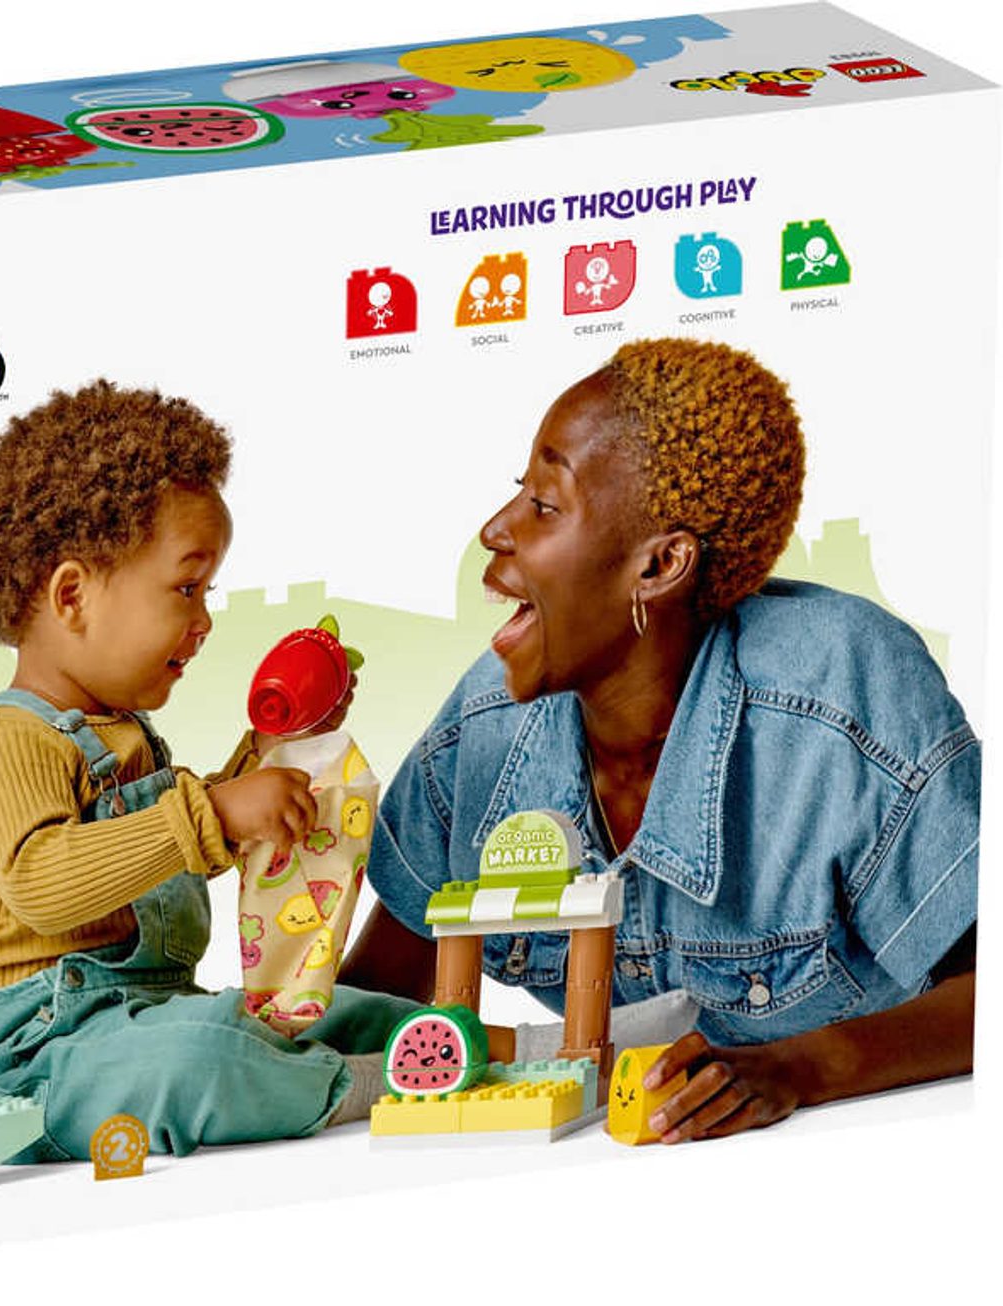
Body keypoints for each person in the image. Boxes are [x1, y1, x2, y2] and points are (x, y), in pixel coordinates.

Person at [342, 338, 978, 1143]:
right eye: (518, 493)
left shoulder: (839, 690)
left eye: (545, 505)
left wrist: (798, 1070)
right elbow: (371, 1010)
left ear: (660, 565)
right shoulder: (487, 725)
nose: (495, 530)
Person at [0, 379, 416, 1160]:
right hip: (33, 1063)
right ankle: (375, 1083)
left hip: (137, 1018)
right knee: (201, 1057)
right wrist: (215, 813)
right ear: (72, 596)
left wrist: (269, 754)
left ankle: (499, 1047)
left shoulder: (124, 735)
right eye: (186, 587)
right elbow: (45, 883)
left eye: (207, 592)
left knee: (340, 1008)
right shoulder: (11, 739)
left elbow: (169, 855)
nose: (203, 620)